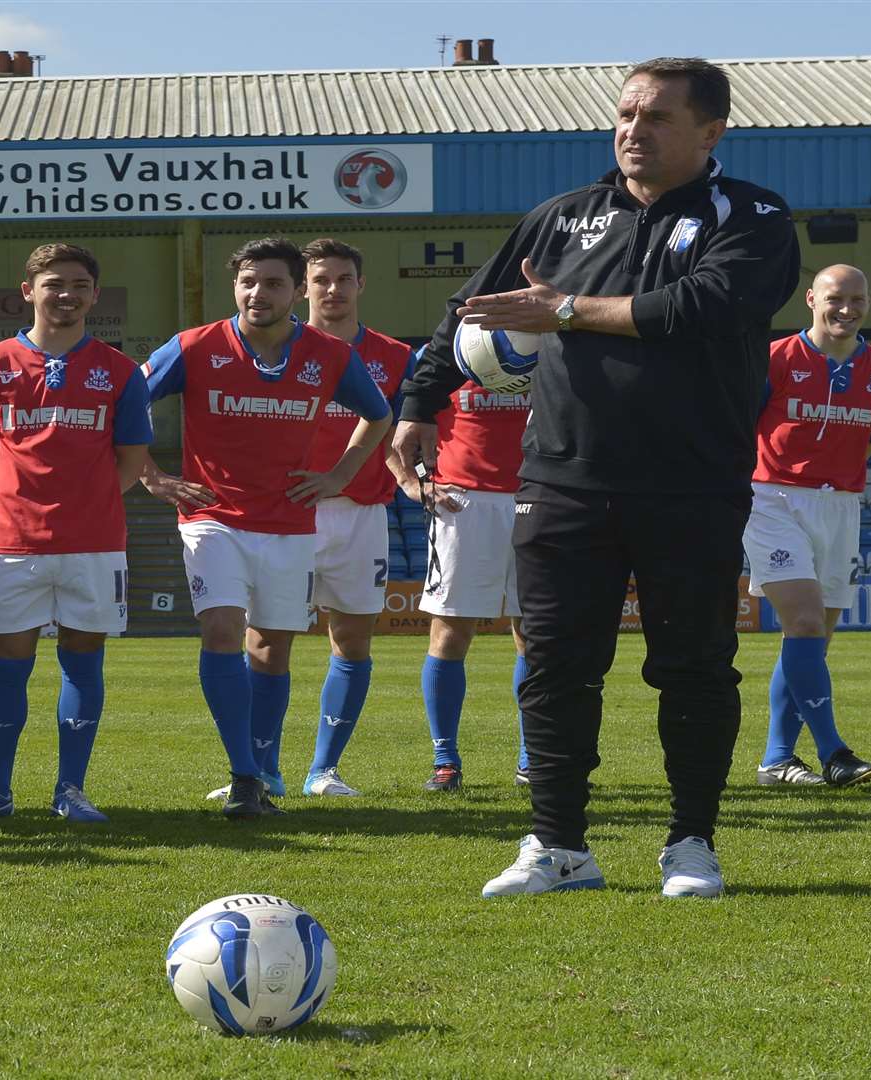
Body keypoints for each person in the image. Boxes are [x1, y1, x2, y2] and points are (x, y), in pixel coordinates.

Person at [395, 57, 802, 899]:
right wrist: (420, 400)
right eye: (624, 114)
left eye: (656, 117)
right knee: (554, 666)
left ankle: (691, 844)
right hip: (561, 480)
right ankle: (558, 847)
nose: (632, 131)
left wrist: (568, 312)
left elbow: (702, 308)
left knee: (693, 667)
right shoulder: (562, 219)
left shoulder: (752, 216)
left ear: (711, 131)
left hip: (691, 483)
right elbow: (468, 310)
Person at [142, 237, 392, 819]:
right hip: (213, 517)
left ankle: (261, 771)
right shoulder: (194, 346)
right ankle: (244, 776)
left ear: (295, 291)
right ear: (235, 287)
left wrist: (339, 475)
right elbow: (128, 399)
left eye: (274, 283)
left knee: (272, 646)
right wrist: (152, 476)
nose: (259, 293)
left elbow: (378, 414)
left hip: (289, 522)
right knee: (224, 629)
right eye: (248, 281)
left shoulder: (328, 355)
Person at [0, 243, 152, 826]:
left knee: (84, 664)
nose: (67, 294)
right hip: (12, 543)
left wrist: (89, 503)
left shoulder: (119, 371)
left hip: (94, 543)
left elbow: (132, 459)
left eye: (79, 284)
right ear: (28, 290)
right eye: (54, 283)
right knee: (7, 665)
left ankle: (72, 790)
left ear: (95, 295)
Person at [748, 265, 871, 787]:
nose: (847, 309)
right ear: (812, 299)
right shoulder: (772, 360)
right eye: (836, 298)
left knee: (813, 636)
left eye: (857, 299)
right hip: (772, 498)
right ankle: (834, 752)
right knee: (807, 622)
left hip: (842, 507)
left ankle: (776, 760)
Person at [295, 238, 414, 798]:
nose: (333, 290)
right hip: (285, 514)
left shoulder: (393, 355)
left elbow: (398, 433)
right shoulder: (274, 349)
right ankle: (253, 771)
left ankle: (324, 770)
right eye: (321, 280)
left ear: (361, 285)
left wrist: (411, 478)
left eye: (344, 279)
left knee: (351, 642)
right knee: (260, 641)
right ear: (304, 287)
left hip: (360, 515)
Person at [391, 348, 533, 792]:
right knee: (451, 633)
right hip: (463, 503)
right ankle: (444, 760)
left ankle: (534, 758)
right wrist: (414, 483)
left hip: (539, 498)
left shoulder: (548, 342)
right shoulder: (442, 354)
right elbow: (396, 428)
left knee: (535, 633)